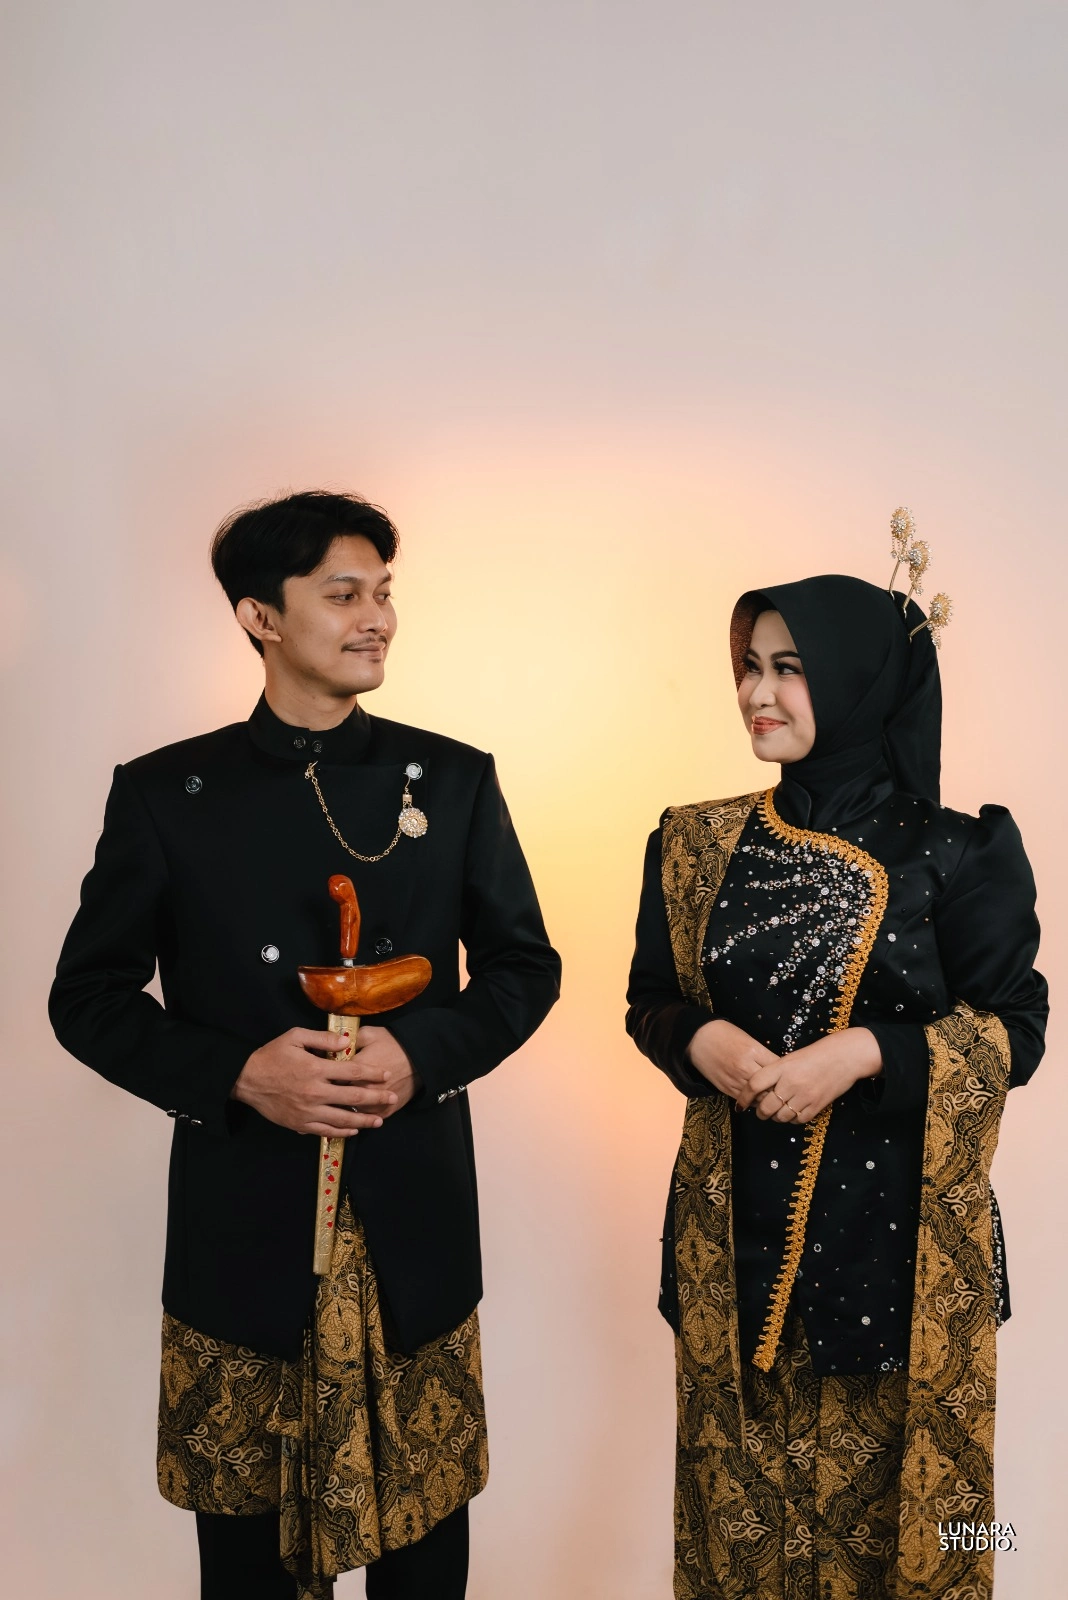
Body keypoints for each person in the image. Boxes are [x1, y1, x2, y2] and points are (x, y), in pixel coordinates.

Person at [50, 490, 561, 1600]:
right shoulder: (167, 794)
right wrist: (237, 1074)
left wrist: (422, 1054)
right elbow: (85, 999)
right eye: (343, 594)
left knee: (425, 1564)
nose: (377, 617)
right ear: (260, 616)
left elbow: (526, 969)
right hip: (245, 1236)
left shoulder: (454, 778)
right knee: (248, 1569)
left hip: (416, 1236)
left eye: (384, 592)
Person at [625, 548, 1047, 1599]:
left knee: (927, 1534)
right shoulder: (694, 843)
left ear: (861, 682)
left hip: (899, 1248)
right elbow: (650, 999)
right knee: (742, 1541)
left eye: (791, 669)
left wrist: (865, 1053)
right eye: (749, 666)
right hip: (737, 1245)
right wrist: (697, 1041)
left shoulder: (959, 852)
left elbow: (1019, 1028)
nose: (757, 693)